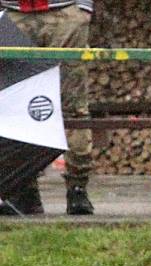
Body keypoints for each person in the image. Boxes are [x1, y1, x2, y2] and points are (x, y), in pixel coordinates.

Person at [0, 0, 95, 216]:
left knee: (73, 104)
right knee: (15, 105)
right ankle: (24, 187)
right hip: (13, 13)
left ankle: (77, 187)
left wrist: (83, 7)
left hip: (66, 12)